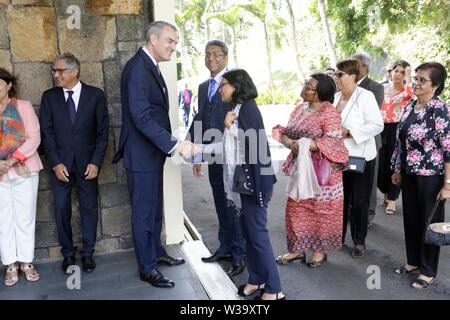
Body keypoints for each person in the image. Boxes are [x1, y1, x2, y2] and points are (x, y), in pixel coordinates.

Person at [112, 21, 198, 288]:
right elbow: (141, 117)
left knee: (154, 210)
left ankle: (157, 253)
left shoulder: (149, 64)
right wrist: (175, 144)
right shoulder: (138, 68)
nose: (174, 47)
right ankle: (147, 267)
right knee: (144, 212)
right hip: (141, 155)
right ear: (153, 38)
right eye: (170, 41)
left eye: (175, 42)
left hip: (150, 154)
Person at [40, 53, 109, 274]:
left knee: (89, 208)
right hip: (60, 164)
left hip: (88, 164)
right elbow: (46, 133)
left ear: (74, 71)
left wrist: (96, 162)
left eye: (60, 71)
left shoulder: (95, 95)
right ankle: (68, 253)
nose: (56, 75)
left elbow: (102, 133)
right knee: (61, 209)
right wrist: (55, 162)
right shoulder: (49, 97)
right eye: (54, 71)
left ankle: (88, 253)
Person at [219, 69, 283, 300]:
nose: (220, 89)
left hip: (255, 182)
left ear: (236, 86)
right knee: (249, 233)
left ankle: (275, 289)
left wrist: (229, 127)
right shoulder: (238, 109)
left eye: (224, 84)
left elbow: (254, 148)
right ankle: (257, 280)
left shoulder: (248, 108)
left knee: (258, 235)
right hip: (246, 182)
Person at [273, 73, 348, 268]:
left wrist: (304, 145)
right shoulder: (299, 109)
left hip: (323, 173)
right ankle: (296, 250)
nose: (305, 86)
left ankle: (319, 251)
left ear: (320, 92)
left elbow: (332, 141)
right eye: (306, 83)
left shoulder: (330, 112)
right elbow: (285, 132)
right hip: (301, 169)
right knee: (296, 209)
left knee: (321, 211)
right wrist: (290, 142)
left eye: (309, 85)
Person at [186, 40, 246, 277]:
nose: (211, 58)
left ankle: (240, 255)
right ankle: (225, 247)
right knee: (220, 203)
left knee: (235, 206)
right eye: (207, 54)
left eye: (216, 54)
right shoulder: (203, 87)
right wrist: (196, 153)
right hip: (212, 154)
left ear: (226, 57)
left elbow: (245, 116)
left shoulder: (236, 82)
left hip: (232, 156)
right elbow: (200, 119)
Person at [391, 62, 449, 289]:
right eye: (415, 78)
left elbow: (448, 150)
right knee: (411, 219)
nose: (415, 82)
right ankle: (413, 261)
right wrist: (396, 169)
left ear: (435, 85)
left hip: (431, 176)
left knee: (429, 222)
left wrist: (448, 184)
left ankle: (428, 270)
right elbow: (400, 142)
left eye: (422, 80)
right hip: (408, 173)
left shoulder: (440, 110)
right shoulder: (409, 107)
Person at [333, 59, 383, 258]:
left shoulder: (365, 96)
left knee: (359, 201)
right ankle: (338, 237)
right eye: (336, 74)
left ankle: (359, 241)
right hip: (337, 158)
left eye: (340, 74)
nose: (336, 78)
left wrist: (351, 133)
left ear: (353, 77)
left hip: (360, 157)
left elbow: (376, 125)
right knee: (340, 200)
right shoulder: (336, 97)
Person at [0, 68, 43, 286]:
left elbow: (34, 138)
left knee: (25, 218)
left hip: (24, 171)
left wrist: (10, 160)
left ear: (9, 85)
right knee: (3, 220)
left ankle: (26, 262)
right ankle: (10, 264)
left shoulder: (23, 106)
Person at [351, 52, 384, 228]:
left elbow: (371, 115)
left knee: (369, 180)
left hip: (369, 140)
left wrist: (349, 127)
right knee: (350, 176)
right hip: (347, 142)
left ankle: (369, 213)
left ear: (365, 67)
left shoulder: (376, 88)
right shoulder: (343, 86)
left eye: (354, 64)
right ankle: (350, 211)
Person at [377, 60, 413, 215]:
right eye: (395, 71)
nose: (398, 74)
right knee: (380, 166)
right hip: (380, 129)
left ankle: (392, 200)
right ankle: (385, 195)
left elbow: (411, 94)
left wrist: (410, 75)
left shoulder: (407, 90)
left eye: (402, 72)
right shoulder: (382, 88)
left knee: (394, 165)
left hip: (397, 129)